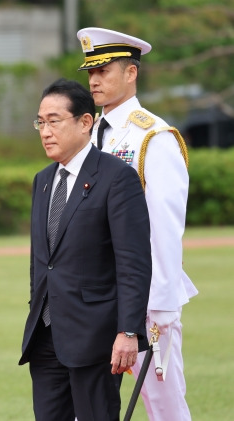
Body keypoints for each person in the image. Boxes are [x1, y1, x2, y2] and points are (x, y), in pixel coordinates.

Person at [76, 27, 199, 421]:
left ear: (131, 73)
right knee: (87, 405)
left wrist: (160, 306)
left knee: (164, 407)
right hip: (91, 296)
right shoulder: (87, 132)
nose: (94, 79)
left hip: (141, 299)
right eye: (90, 71)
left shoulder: (153, 138)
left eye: (105, 69)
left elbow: (164, 226)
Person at [19, 78, 152, 421]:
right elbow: (42, 263)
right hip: (46, 335)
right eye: (40, 122)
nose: (45, 131)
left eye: (54, 120)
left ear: (85, 122)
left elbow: (133, 262)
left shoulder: (117, 178)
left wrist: (128, 332)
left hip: (96, 338)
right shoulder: (43, 180)